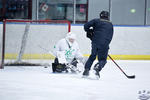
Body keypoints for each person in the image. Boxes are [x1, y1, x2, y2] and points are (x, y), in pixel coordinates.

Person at [82, 11, 114, 78]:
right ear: (107, 16)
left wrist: (90, 32)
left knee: (92, 56)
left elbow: (86, 26)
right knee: (102, 60)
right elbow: (110, 35)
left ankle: (86, 70)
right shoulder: (110, 24)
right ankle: (98, 67)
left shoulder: (96, 21)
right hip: (105, 44)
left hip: (95, 42)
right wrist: (106, 45)